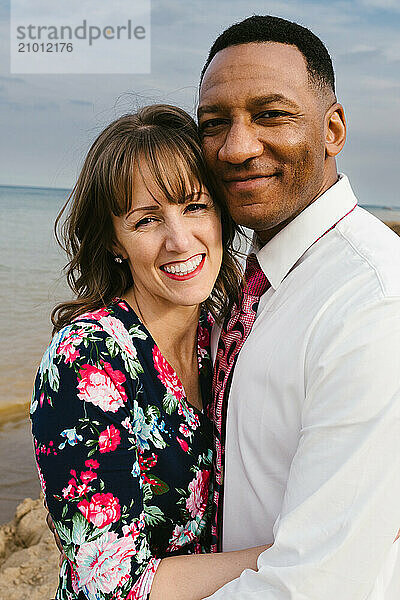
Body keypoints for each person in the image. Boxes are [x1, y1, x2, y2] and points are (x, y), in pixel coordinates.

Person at [31, 104, 271, 600]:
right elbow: (113, 585)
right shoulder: (86, 360)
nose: (180, 240)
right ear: (114, 241)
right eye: (146, 221)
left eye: (195, 206)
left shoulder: (225, 335)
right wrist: (305, 551)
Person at [197, 15, 400, 600]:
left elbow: (314, 585)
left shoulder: (372, 303)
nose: (236, 147)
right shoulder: (246, 283)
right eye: (215, 123)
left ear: (333, 129)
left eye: (271, 114)